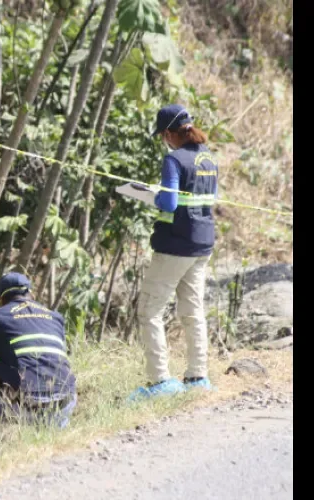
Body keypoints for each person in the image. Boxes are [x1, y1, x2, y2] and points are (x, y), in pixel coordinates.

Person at [129, 104, 218, 401]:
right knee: (193, 311)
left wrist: (145, 193)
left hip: (175, 246)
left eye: (163, 136)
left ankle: (159, 382)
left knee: (149, 310)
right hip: (202, 245)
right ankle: (198, 376)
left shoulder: (173, 160)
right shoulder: (209, 159)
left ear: (169, 133)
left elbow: (168, 204)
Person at [0, 272, 77, 447]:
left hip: (27, 405)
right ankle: (57, 443)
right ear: (30, 293)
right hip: (65, 401)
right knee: (54, 442)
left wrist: (0, 373)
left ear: (1, 299)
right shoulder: (55, 317)